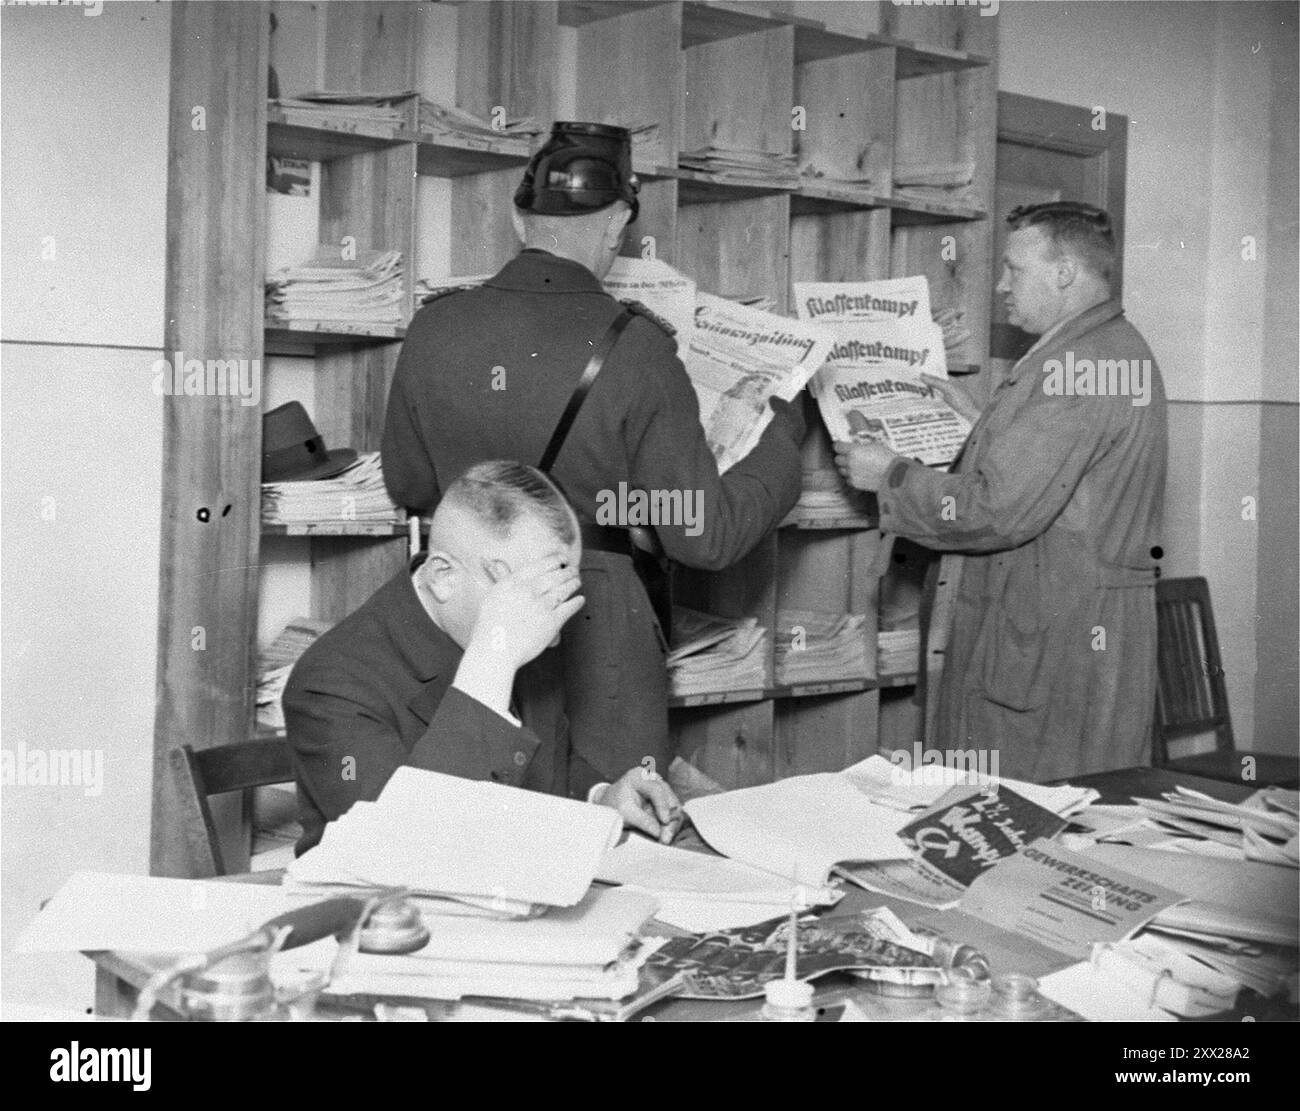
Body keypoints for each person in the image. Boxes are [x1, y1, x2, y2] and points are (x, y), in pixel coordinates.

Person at [381, 121, 804, 790]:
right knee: (613, 842)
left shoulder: (434, 325)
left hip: (460, 609)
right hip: (593, 620)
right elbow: (703, 534)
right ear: (616, 228)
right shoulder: (636, 347)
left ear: (520, 219)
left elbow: (407, 481)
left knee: (466, 819)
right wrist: (781, 439)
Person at [834, 201, 1167, 780]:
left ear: (1064, 274)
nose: (1000, 287)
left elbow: (998, 511)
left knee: (1022, 818)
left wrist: (888, 474)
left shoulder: (1075, 366)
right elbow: (1063, 477)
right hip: (1076, 633)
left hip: (1050, 644)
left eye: (1014, 269)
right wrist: (985, 426)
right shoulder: (1109, 347)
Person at [284, 460, 683, 855]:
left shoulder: (526, 627)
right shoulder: (331, 682)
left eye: (560, 590)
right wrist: (492, 661)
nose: (554, 629)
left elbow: (542, 770)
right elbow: (404, 849)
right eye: (533, 593)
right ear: (443, 577)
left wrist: (601, 797)